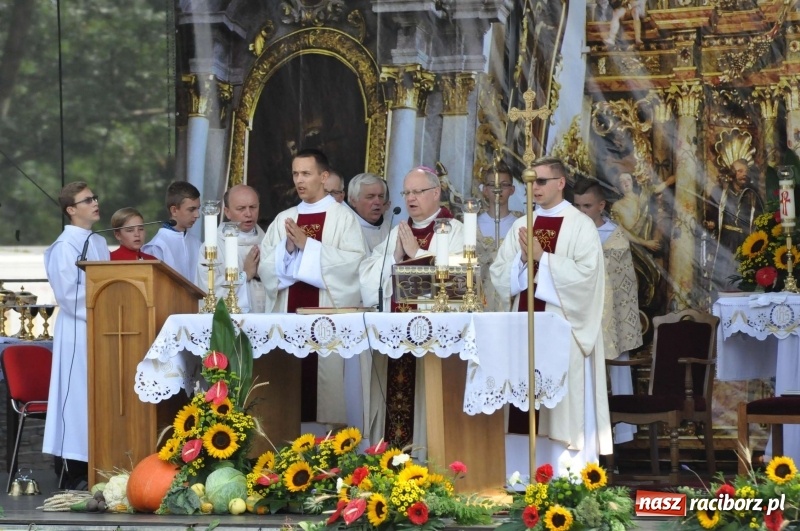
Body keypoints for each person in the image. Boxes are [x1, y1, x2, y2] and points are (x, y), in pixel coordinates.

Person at [490, 157, 611, 474]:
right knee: (522, 401)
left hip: (563, 333)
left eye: (542, 181)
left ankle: (564, 475)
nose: (535, 188)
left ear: (561, 183)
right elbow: (499, 274)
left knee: (559, 407)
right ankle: (518, 476)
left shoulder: (580, 225)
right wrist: (520, 265)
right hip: (523, 331)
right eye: (531, 182)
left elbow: (588, 280)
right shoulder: (521, 224)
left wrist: (543, 259)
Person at [257, 148, 368, 429]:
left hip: (326, 320)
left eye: (306, 173)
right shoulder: (285, 218)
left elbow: (354, 266)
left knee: (324, 389)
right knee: (288, 385)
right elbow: (266, 269)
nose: (299, 180)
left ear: (324, 176)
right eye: (295, 174)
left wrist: (309, 247)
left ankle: (327, 443)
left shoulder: (343, 218)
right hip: (289, 313)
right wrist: (288, 250)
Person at [359, 166, 465, 452]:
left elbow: (459, 283)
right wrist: (395, 256)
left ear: (436, 192)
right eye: (406, 192)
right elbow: (369, 279)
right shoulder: (399, 230)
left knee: (426, 402)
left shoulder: (454, 231)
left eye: (417, 192)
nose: (410, 198)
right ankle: (391, 460)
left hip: (434, 340)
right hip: (397, 336)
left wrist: (416, 255)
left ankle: (429, 459)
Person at [43, 182, 111, 488]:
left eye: (94, 197)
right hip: (76, 331)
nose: (95, 202)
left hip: (99, 329)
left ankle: (97, 462)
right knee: (76, 398)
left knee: (94, 396)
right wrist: (104, 305)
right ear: (71, 210)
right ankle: (71, 470)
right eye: (87, 200)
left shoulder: (96, 241)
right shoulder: (63, 247)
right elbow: (68, 294)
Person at [573, 178, 643, 445]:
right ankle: (583, 433)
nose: (582, 212)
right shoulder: (570, 236)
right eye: (577, 206)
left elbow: (624, 286)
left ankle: (621, 434)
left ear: (601, 206)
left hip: (610, 317)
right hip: (579, 317)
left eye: (587, 206)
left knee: (617, 366)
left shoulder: (615, 238)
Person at [197, 184, 266, 312]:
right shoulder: (213, 246)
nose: (248, 213)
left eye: (253, 207)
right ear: (227, 212)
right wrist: (245, 275)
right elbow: (208, 289)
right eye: (241, 208)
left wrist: (265, 272)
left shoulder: (269, 242)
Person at [704, 159, 764, 289]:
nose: (744, 174)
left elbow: (760, 216)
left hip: (744, 240)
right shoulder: (721, 191)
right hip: (725, 238)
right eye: (740, 171)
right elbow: (711, 210)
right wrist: (712, 222)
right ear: (732, 174)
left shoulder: (753, 194)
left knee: (742, 276)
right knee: (723, 275)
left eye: (746, 171)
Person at [477, 163, 523, 311]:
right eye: (492, 185)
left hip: (512, 297)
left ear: (512, 190)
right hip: (480, 296)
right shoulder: (471, 224)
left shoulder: (522, 223)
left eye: (504, 185)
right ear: (485, 190)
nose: (498, 190)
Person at [142, 181, 202, 284]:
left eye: (198, 209)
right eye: (191, 209)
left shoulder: (197, 243)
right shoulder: (157, 246)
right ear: (174, 210)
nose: (197, 215)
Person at [347, 172, 391, 252]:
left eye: (381, 196)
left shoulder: (389, 228)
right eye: (370, 197)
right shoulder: (345, 228)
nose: (377, 202)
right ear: (353, 201)